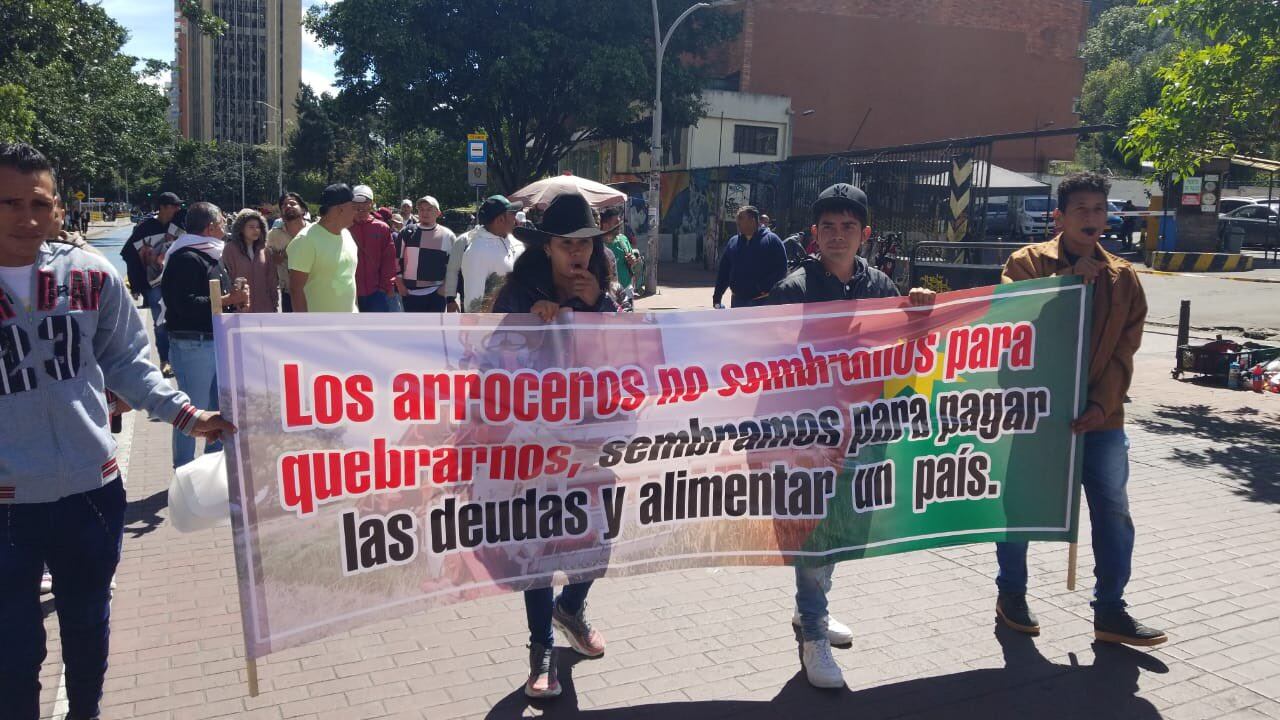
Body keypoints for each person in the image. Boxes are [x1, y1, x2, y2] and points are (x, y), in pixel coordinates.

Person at [0, 143, 234, 720]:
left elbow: (129, 361)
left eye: (38, 203)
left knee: (87, 627)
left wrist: (188, 415)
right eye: (8, 203)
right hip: (6, 504)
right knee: (13, 647)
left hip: (91, 489)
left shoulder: (89, 275)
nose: (25, 217)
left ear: (58, 209)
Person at [766, 182, 935, 688]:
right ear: (814, 235)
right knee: (813, 531)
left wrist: (921, 310)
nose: (837, 236)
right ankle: (813, 633)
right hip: (810, 434)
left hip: (865, 430)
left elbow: (906, 349)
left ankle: (811, 609)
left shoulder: (882, 285)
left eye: (847, 227)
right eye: (828, 227)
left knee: (842, 529)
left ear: (865, 233)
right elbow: (770, 362)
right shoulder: (793, 289)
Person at [993, 172, 1166, 648]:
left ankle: (1110, 608)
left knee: (1112, 509)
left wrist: (1100, 403)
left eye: (1098, 210)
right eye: (1081, 210)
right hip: (1035, 412)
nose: (1092, 218)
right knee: (1023, 505)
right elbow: (1011, 320)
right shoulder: (1026, 262)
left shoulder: (1123, 276)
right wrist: (1065, 282)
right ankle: (1011, 594)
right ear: (1060, 218)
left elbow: (1123, 352)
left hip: (1100, 417)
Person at [492, 190, 615, 697]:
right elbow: (491, 363)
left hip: (591, 439)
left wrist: (594, 307)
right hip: (534, 445)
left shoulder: (603, 289)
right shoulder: (517, 292)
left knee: (599, 541)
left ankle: (571, 608)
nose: (578, 252)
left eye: (585, 242)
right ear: (547, 247)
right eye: (567, 243)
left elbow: (625, 359)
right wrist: (527, 330)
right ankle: (540, 648)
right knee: (539, 550)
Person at [161, 201, 249, 469]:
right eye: (223, 221)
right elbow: (182, 304)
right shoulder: (186, 257)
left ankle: (213, 469)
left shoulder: (212, 254)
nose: (226, 226)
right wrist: (226, 299)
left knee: (218, 412)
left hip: (214, 341)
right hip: (192, 344)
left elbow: (216, 301)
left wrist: (235, 302)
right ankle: (184, 471)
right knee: (191, 413)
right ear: (211, 227)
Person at [121, 191, 183, 373]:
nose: (177, 209)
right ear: (162, 208)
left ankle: (177, 358)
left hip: (177, 283)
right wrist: (135, 282)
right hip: (153, 283)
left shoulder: (180, 224)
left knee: (178, 320)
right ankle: (165, 360)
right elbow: (129, 254)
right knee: (160, 321)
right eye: (173, 205)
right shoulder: (145, 228)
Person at [288, 183, 359, 313]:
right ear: (340, 209)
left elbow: (349, 280)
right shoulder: (305, 240)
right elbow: (296, 289)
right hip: (319, 328)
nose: (356, 211)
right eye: (353, 207)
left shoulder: (347, 235)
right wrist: (306, 327)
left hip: (348, 325)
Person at [712, 205, 787, 308]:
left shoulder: (772, 241)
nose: (737, 223)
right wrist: (717, 297)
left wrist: (762, 287)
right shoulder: (733, 242)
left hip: (762, 302)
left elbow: (781, 270)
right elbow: (724, 271)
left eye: (741, 220)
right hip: (737, 302)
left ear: (752, 220)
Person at [460, 195, 524, 312]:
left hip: (517, 321)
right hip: (494, 326)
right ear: (500, 219)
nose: (516, 220)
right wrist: (478, 329)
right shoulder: (477, 252)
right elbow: (473, 302)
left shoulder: (514, 241)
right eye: (512, 214)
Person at [395, 195, 456, 313]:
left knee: (434, 331)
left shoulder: (448, 235)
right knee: (413, 330)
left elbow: (453, 267)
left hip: (436, 294)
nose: (425, 213)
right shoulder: (406, 232)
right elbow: (397, 261)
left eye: (429, 209)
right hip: (410, 293)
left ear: (438, 213)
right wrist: (400, 285)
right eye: (421, 209)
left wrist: (445, 288)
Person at [349, 185, 399, 312]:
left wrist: (384, 288)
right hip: (350, 292)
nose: (360, 207)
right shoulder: (344, 227)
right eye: (356, 203)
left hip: (377, 292)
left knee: (376, 330)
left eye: (364, 202)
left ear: (371, 204)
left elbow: (389, 260)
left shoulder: (382, 228)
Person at [266, 192, 308, 312]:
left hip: (313, 292)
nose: (288, 206)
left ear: (303, 209)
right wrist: (273, 259)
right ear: (281, 213)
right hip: (288, 294)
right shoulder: (273, 235)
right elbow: (266, 262)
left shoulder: (314, 233)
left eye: (292, 203)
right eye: (284, 205)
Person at [600, 206, 638, 306]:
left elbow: (632, 260)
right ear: (605, 225)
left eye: (620, 222)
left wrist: (632, 260)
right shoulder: (595, 244)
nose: (619, 226)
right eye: (616, 223)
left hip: (626, 289)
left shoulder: (623, 239)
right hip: (607, 294)